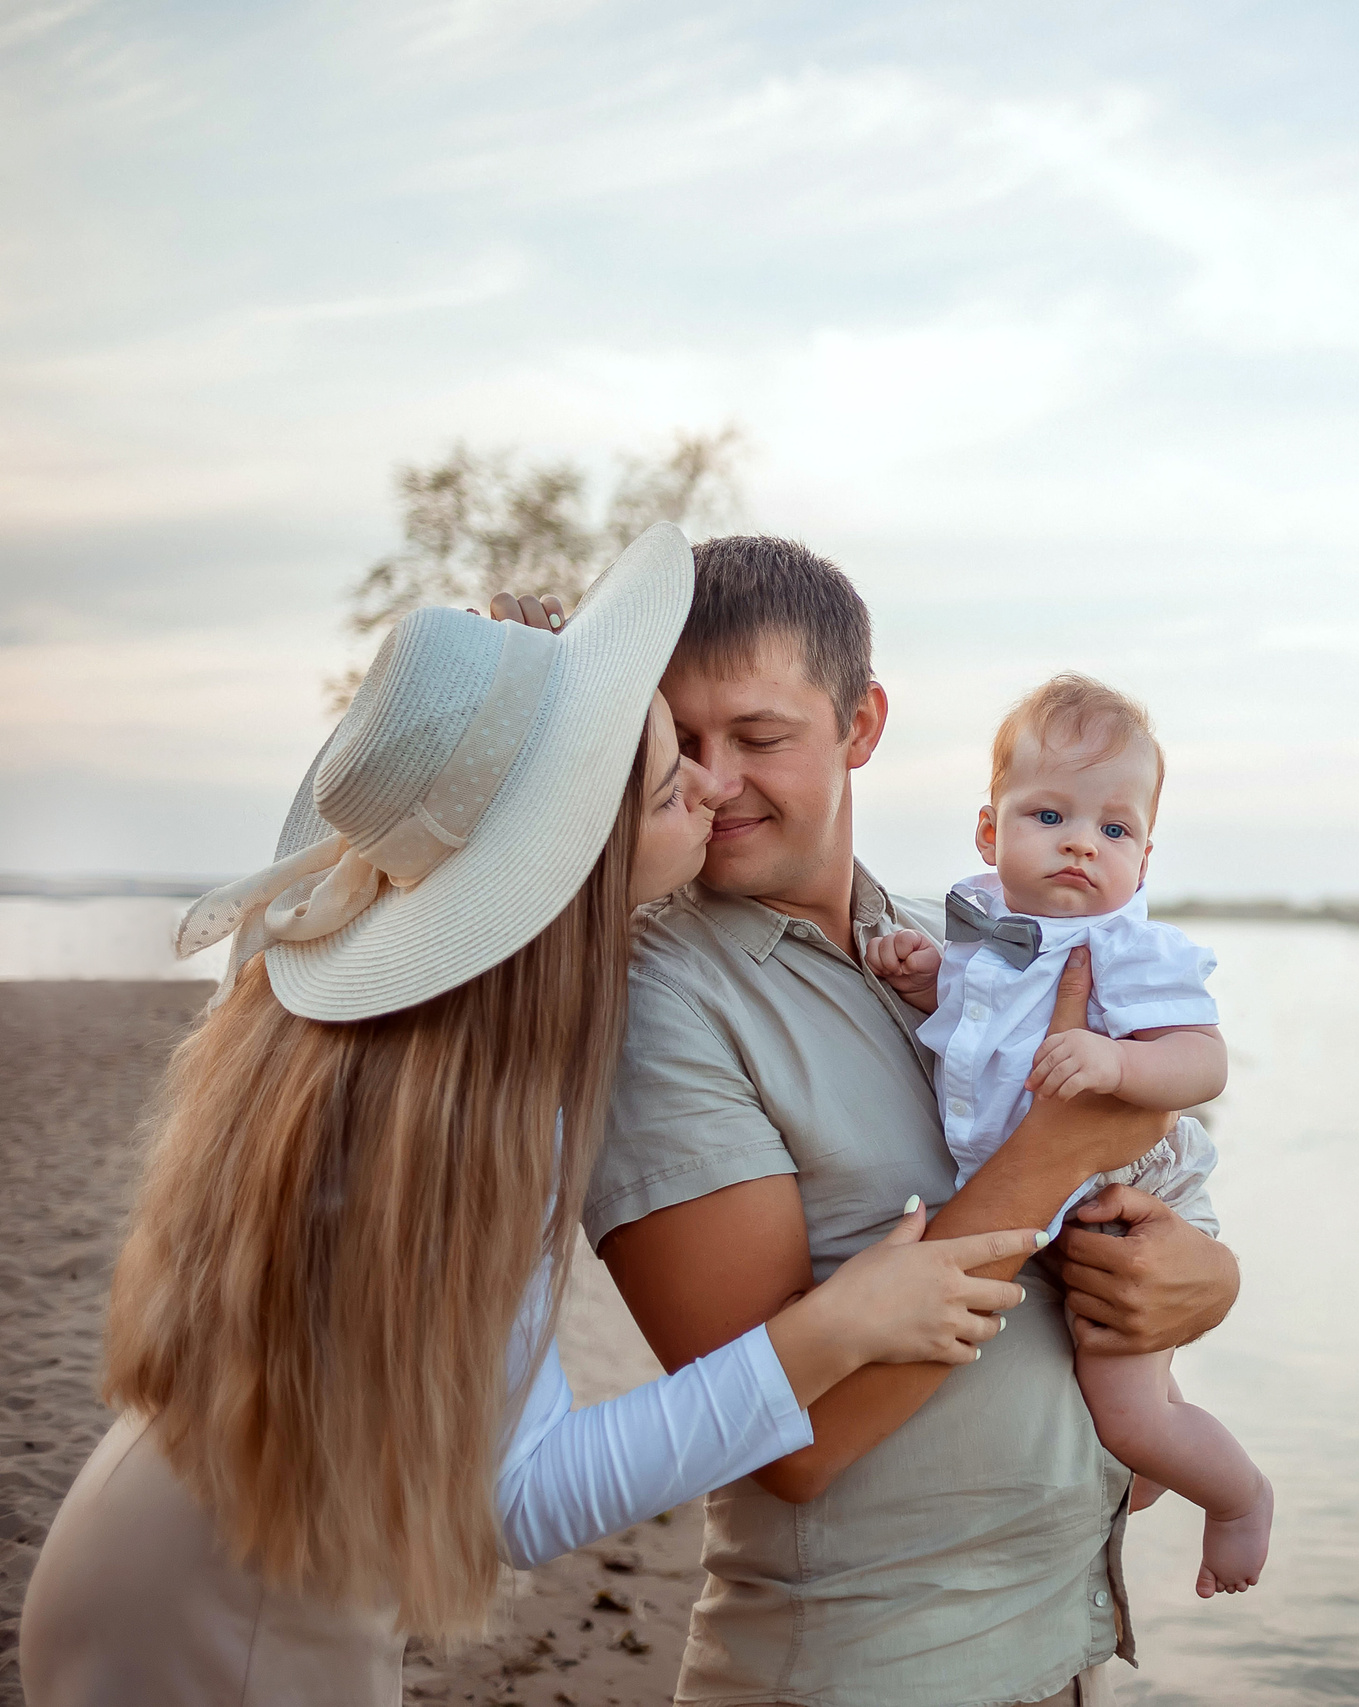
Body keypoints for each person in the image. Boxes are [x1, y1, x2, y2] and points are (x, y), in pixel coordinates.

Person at [18, 526, 1047, 1707]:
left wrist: (525, 709)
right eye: (672, 778)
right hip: (236, 1613)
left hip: (190, 1536)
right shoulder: (463, 1106)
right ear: (586, 843)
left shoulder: (405, 1036)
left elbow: (414, 826)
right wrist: (836, 1328)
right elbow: (521, 1500)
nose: (712, 790)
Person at [583, 537, 1245, 1706]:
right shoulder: (657, 999)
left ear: (861, 726)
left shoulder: (971, 939)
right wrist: (1048, 1160)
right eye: (681, 744)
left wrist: (1204, 1278)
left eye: (759, 736)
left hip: (1066, 1641)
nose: (714, 781)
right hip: (869, 1668)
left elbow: (1151, 1156)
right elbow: (778, 1441)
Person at [867, 672, 1274, 1598]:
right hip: (1050, 1191)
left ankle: (1241, 1498)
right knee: (1135, 1392)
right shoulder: (987, 929)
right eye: (1050, 814)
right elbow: (985, 1031)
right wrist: (927, 977)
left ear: (1144, 859)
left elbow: (1203, 1063)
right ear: (989, 831)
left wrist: (1115, 1062)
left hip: (1123, 1196)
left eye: (1115, 829)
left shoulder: (1127, 950)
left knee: (1126, 1414)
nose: (1083, 842)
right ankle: (1166, 1451)